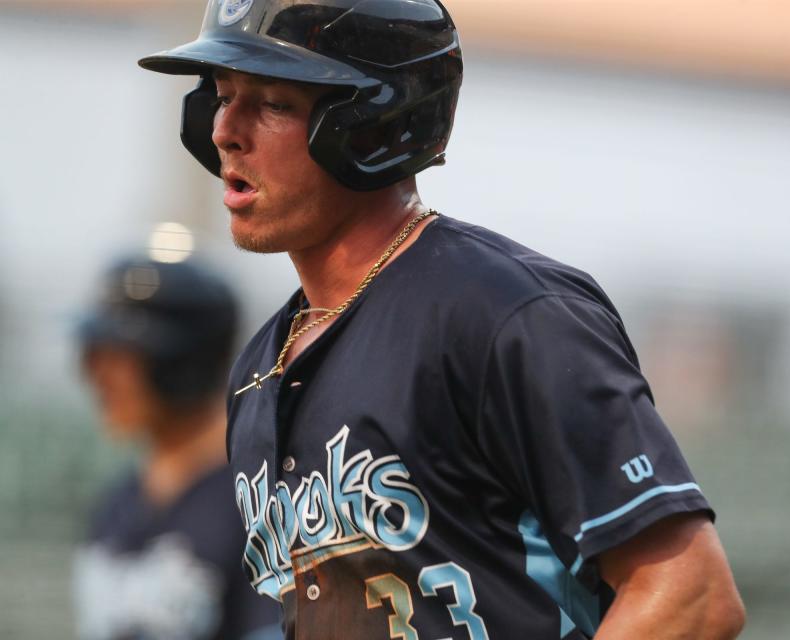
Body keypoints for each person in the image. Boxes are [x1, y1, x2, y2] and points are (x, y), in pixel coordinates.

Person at [138, 1, 746, 638]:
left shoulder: (504, 313)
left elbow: (690, 594)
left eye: (272, 103)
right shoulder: (258, 371)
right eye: (223, 95)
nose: (225, 130)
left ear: (371, 124)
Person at [74, 256, 282, 640]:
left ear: (186, 361)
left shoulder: (260, 499)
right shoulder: (117, 503)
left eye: (121, 359)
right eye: (95, 356)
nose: (99, 378)